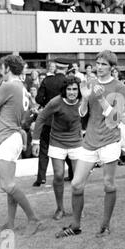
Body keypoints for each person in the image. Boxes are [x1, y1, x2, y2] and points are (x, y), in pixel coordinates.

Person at [56, 50, 125, 238]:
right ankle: (76, 225)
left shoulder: (119, 87)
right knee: (77, 184)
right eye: (98, 63)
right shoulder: (90, 83)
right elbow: (81, 113)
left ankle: (105, 225)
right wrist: (86, 97)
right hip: (90, 140)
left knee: (108, 184)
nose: (99, 67)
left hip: (110, 139)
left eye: (104, 64)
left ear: (112, 67)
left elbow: (116, 118)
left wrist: (102, 98)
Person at [0, 55, 43, 236]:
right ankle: (10, 222)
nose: (1, 70)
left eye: (3, 67)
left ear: (8, 68)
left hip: (6, 137)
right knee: (10, 185)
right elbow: (23, 115)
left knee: (7, 185)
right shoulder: (22, 88)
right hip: (14, 135)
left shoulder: (7, 86)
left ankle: (33, 218)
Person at [32, 76, 83, 220]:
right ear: (64, 90)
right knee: (59, 175)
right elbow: (41, 118)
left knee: (78, 179)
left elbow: (92, 116)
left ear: (79, 91)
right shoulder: (56, 102)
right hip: (57, 141)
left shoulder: (83, 102)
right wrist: (35, 141)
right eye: (69, 89)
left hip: (76, 142)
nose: (72, 92)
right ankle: (60, 209)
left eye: (74, 89)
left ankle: (77, 209)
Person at [34, 58, 73, 186]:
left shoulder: (47, 80)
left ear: (56, 68)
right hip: (64, 120)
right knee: (66, 147)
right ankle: (72, 173)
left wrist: (47, 103)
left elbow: (39, 99)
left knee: (44, 149)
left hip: (49, 119)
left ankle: (41, 178)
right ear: (66, 69)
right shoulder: (68, 82)